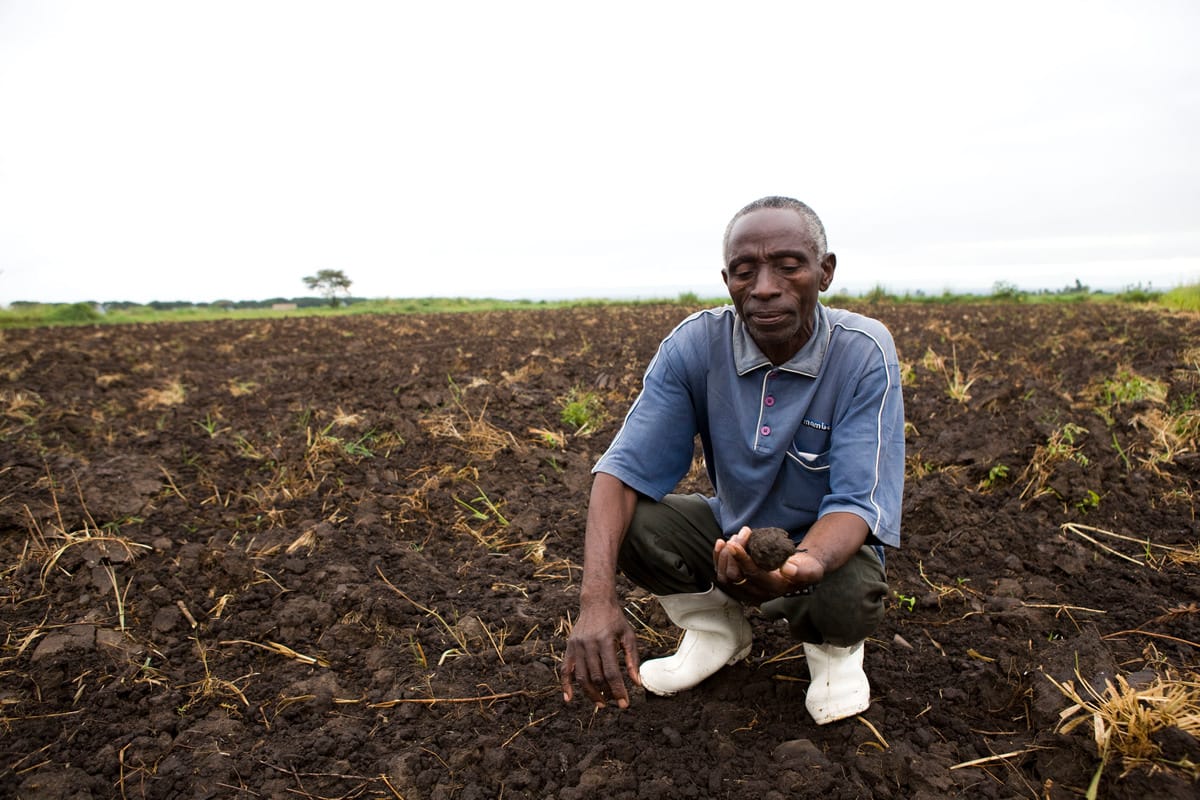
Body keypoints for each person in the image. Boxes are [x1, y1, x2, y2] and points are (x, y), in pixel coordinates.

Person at [559, 196, 904, 725]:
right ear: (728, 280)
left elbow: (858, 502)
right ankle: (717, 631)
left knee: (849, 594)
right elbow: (622, 473)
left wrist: (796, 570)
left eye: (789, 267)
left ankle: (834, 652)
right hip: (729, 535)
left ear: (825, 271)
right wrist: (595, 600)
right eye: (746, 271)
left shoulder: (861, 351)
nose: (765, 286)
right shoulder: (696, 345)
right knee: (632, 524)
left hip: (827, 547)